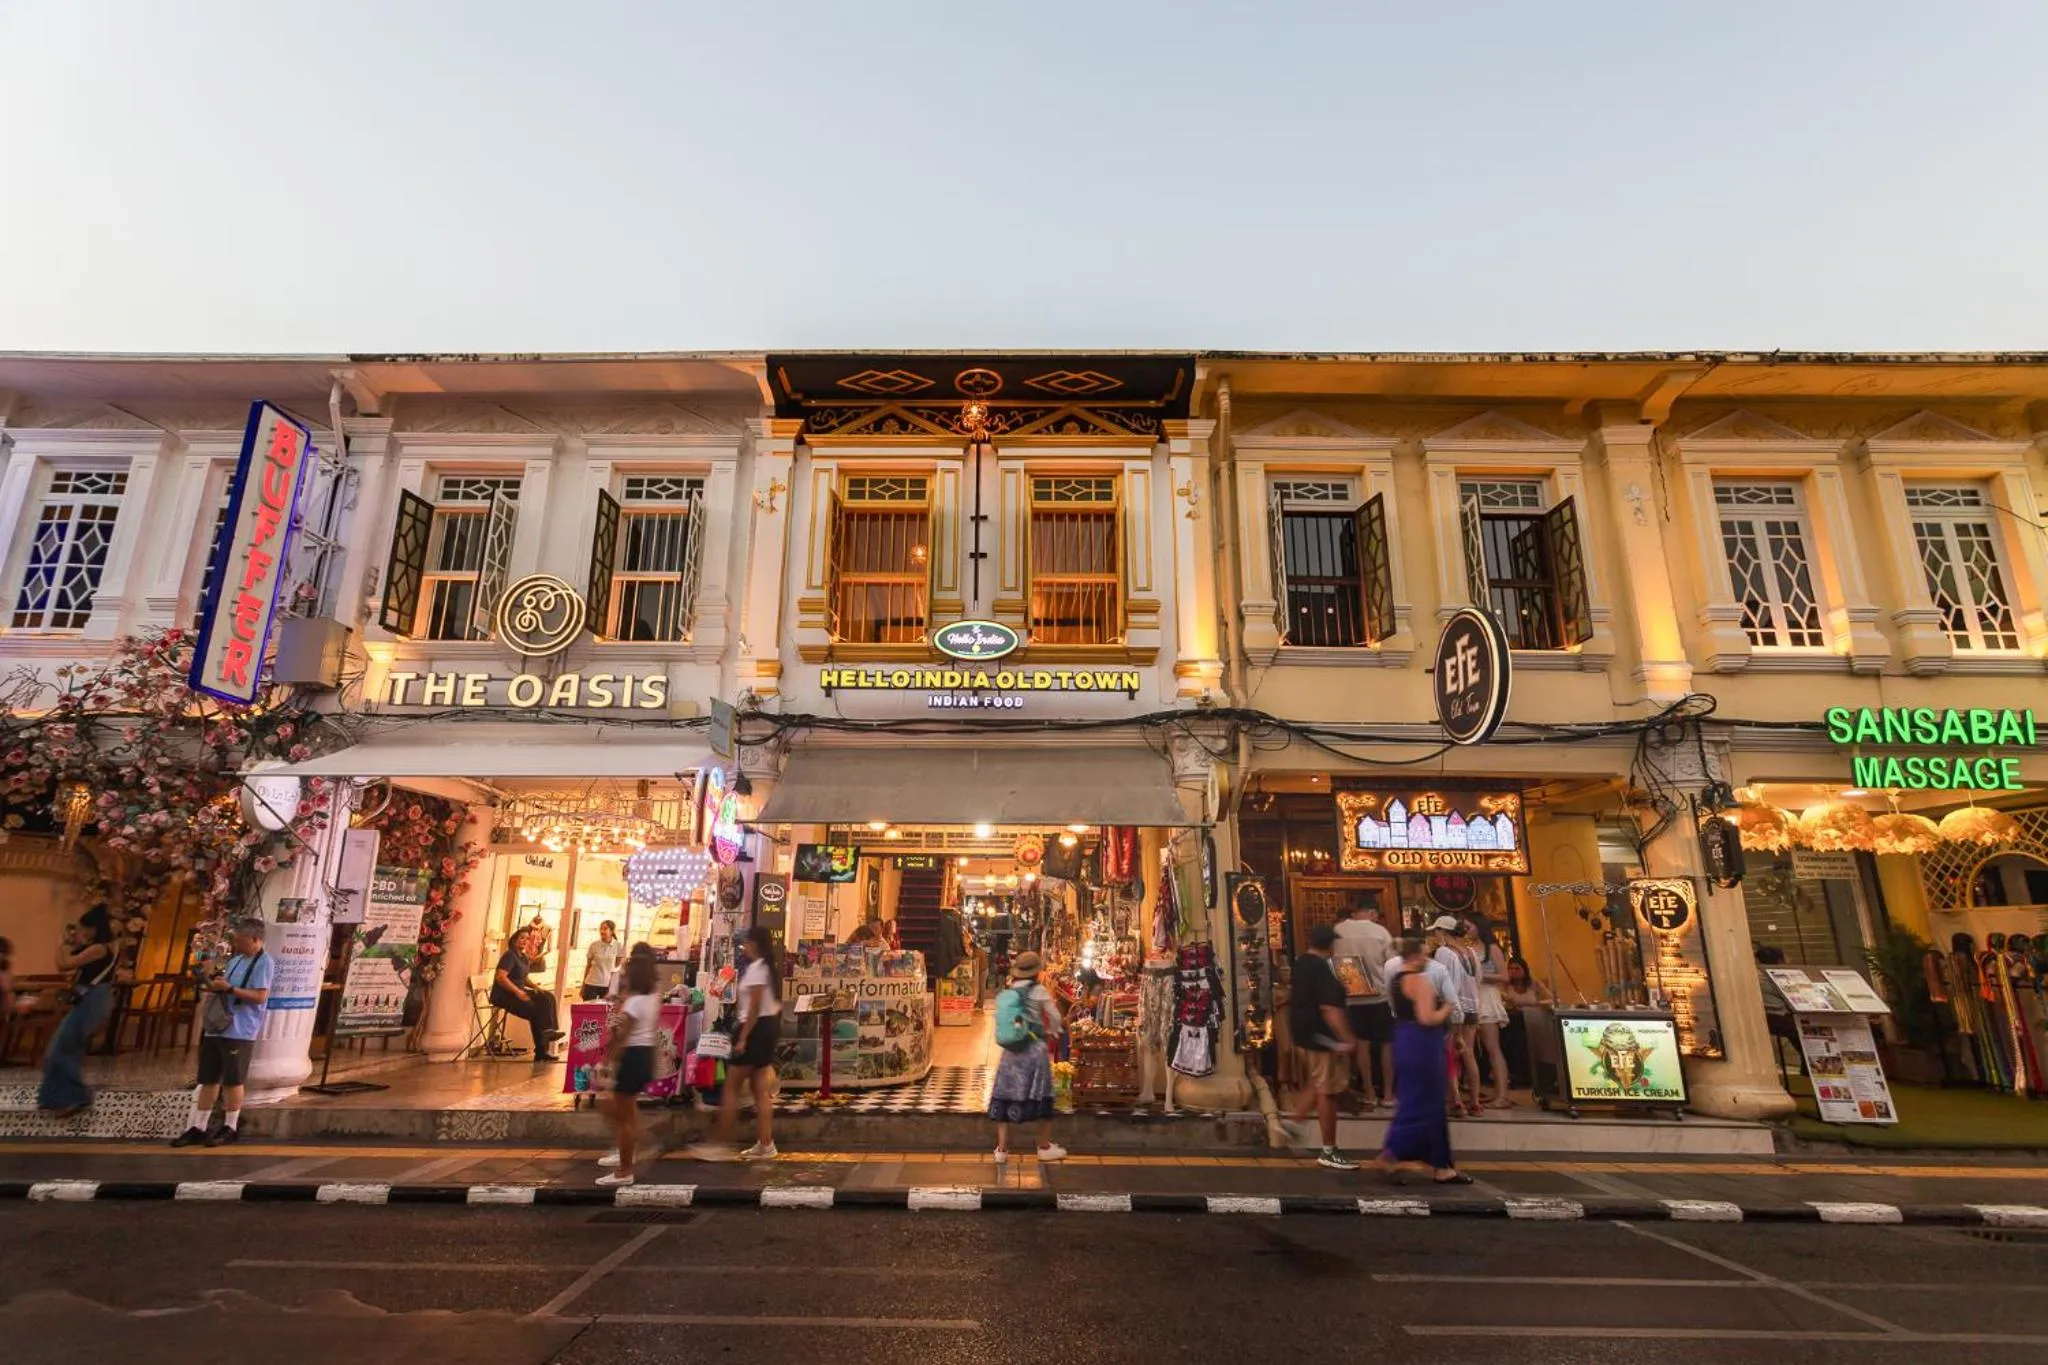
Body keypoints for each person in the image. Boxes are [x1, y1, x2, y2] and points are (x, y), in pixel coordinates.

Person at [1373, 936, 1472, 1186]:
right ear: (1416, 956)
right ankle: (1391, 1153)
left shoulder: (1396, 980)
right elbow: (1427, 1017)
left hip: (1405, 1039)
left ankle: (1441, 1165)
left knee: (1423, 1100)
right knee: (1423, 1101)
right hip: (1424, 1044)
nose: (1427, 959)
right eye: (1425, 955)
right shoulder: (1421, 981)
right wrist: (1447, 1008)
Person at [171, 916, 274, 1147]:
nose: (237, 944)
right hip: (217, 1027)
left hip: (240, 1029)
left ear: (256, 939)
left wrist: (230, 989)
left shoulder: (264, 962)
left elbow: (260, 996)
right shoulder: (236, 960)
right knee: (208, 1078)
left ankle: (230, 1125)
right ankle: (199, 1126)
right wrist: (206, 976)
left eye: (241, 940)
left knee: (232, 1080)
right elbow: (221, 985)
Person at [687, 926, 782, 1161]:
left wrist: (743, 1037)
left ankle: (718, 1143)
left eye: (747, 943)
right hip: (765, 1028)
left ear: (755, 944)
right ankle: (765, 1143)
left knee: (731, 1087)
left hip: (755, 1029)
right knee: (759, 1090)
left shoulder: (758, 969)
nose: (744, 947)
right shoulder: (766, 969)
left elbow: (754, 1007)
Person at [1285, 923, 1360, 1170]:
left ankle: (1295, 1122)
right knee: (1328, 1090)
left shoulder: (1302, 963)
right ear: (1331, 945)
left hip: (1305, 1032)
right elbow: (1329, 1009)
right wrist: (1345, 1038)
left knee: (1319, 1079)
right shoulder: (1321, 969)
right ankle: (1329, 1149)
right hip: (1322, 1035)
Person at [985, 950, 1068, 1164]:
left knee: (1004, 1094)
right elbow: (1055, 1016)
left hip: (1011, 1052)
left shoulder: (1011, 990)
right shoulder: (1039, 991)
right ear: (1037, 973)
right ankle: (1043, 1146)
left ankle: (1001, 1150)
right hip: (1034, 1050)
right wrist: (1055, 1031)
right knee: (1042, 1095)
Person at [38, 905, 120, 1117]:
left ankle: (74, 1097)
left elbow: (64, 964)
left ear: (95, 928)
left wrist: (60, 945)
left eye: (85, 928)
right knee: (66, 1048)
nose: (82, 932)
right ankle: (61, 1099)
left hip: (92, 1000)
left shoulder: (99, 949)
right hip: (92, 999)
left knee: (62, 1047)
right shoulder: (102, 947)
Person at [597, 949, 661, 1187]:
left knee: (620, 1114)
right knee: (627, 1114)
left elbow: (623, 1037)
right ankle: (640, 1145)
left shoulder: (634, 1003)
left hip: (632, 1056)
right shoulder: (652, 998)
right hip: (645, 1055)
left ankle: (625, 1170)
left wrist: (609, 1062)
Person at [1332, 899, 1394, 1109]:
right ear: (1371, 913)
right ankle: (1387, 1095)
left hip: (1352, 996)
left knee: (1362, 1045)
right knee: (1386, 1044)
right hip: (1380, 997)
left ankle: (1368, 1092)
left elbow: (1332, 960)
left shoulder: (1338, 930)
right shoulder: (1381, 932)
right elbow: (1392, 965)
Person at [1428, 915, 1482, 1117]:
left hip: (1454, 1007)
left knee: (1449, 1053)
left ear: (1443, 932)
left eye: (1436, 931)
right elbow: (1478, 980)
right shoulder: (1471, 953)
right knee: (1468, 1053)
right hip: (1473, 1007)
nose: (1435, 935)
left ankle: (1457, 1100)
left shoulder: (1444, 952)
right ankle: (1475, 1102)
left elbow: (1443, 981)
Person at [491, 927, 563, 1062]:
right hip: (505, 995)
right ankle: (542, 1050)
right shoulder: (510, 955)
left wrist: (535, 986)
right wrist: (518, 992)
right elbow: (501, 977)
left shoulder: (523, 957)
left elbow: (523, 977)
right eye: (522, 938)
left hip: (519, 991)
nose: (525, 941)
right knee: (536, 1011)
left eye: (527, 938)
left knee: (547, 996)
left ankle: (549, 1031)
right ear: (514, 940)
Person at [1468, 918, 1514, 1109]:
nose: (1466, 929)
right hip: (1474, 996)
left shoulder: (1492, 949)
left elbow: (1505, 976)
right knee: (1481, 1049)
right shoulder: (1471, 948)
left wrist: (1480, 975)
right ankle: (1495, 1091)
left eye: (1469, 925)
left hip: (1488, 996)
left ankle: (1503, 1094)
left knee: (1492, 1047)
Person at [1498, 957, 1550, 1091]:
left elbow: (1550, 999)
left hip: (1532, 1020)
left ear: (1524, 970)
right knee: (1512, 1040)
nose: (1513, 972)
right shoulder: (1505, 985)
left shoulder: (1534, 984)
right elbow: (1500, 1001)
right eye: (1510, 969)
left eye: (1517, 969)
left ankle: (1530, 1076)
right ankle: (1515, 1074)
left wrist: (1532, 1004)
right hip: (1512, 1021)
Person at [582, 920, 623, 1002]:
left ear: (611, 931)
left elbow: (617, 965)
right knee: (588, 1009)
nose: (602, 931)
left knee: (604, 1011)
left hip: (607, 985)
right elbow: (588, 965)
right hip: (591, 983)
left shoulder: (618, 946)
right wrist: (583, 985)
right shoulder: (594, 945)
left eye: (605, 929)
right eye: (601, 929)